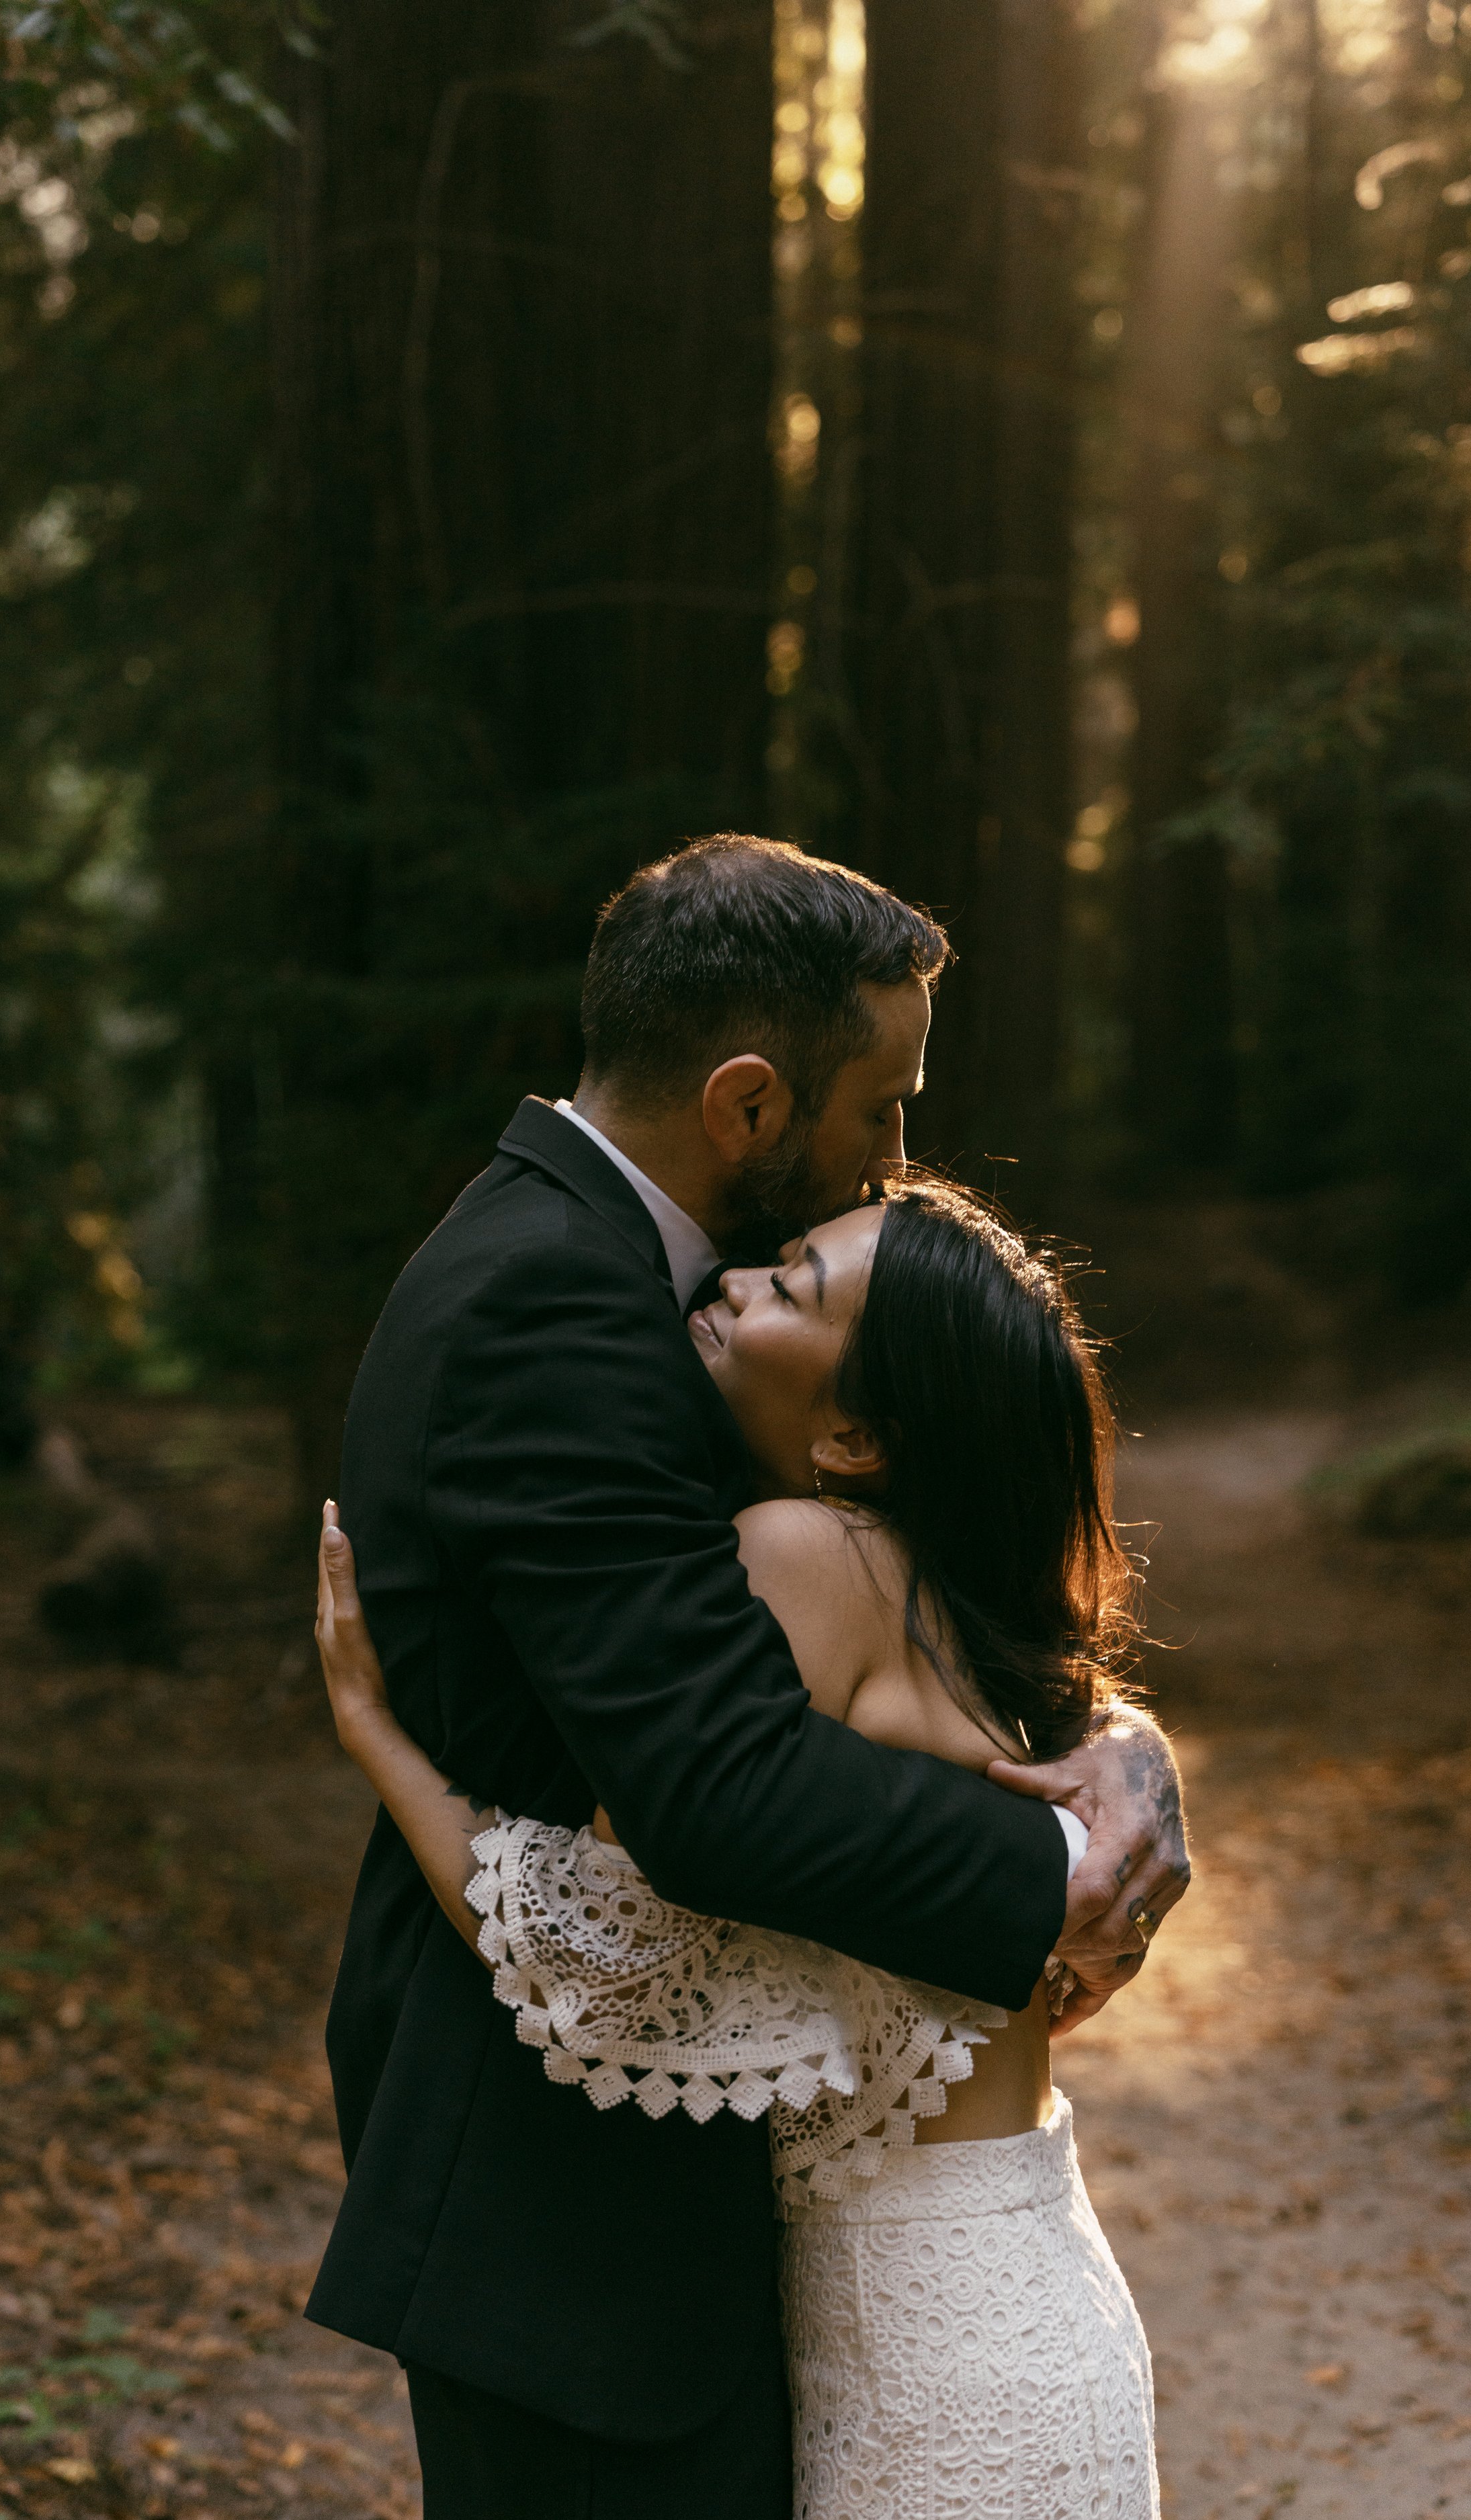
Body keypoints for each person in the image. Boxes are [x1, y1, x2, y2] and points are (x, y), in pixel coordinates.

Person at [304, 836, 1189, 2519]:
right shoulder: (553, 1303)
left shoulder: (634, 1286)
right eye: (881, 1109)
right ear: (746, 1105)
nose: (891, 1161)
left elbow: (911, 1612)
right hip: (566, 2225)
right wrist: (1056, 1876)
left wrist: (1112, 1747)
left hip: (745, 2241)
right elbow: (714, 1799)